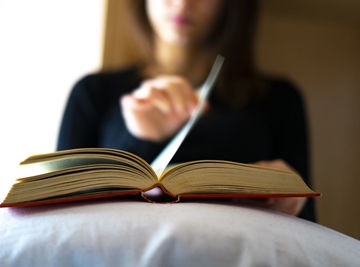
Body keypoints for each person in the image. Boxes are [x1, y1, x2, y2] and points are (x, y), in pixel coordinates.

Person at [57, 0, 316, 221]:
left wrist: (291, 198)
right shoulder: (93, 93)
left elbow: (310, 226)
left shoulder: (278, 99)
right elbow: (58, 215)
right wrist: (142, 139)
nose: (183, 3)